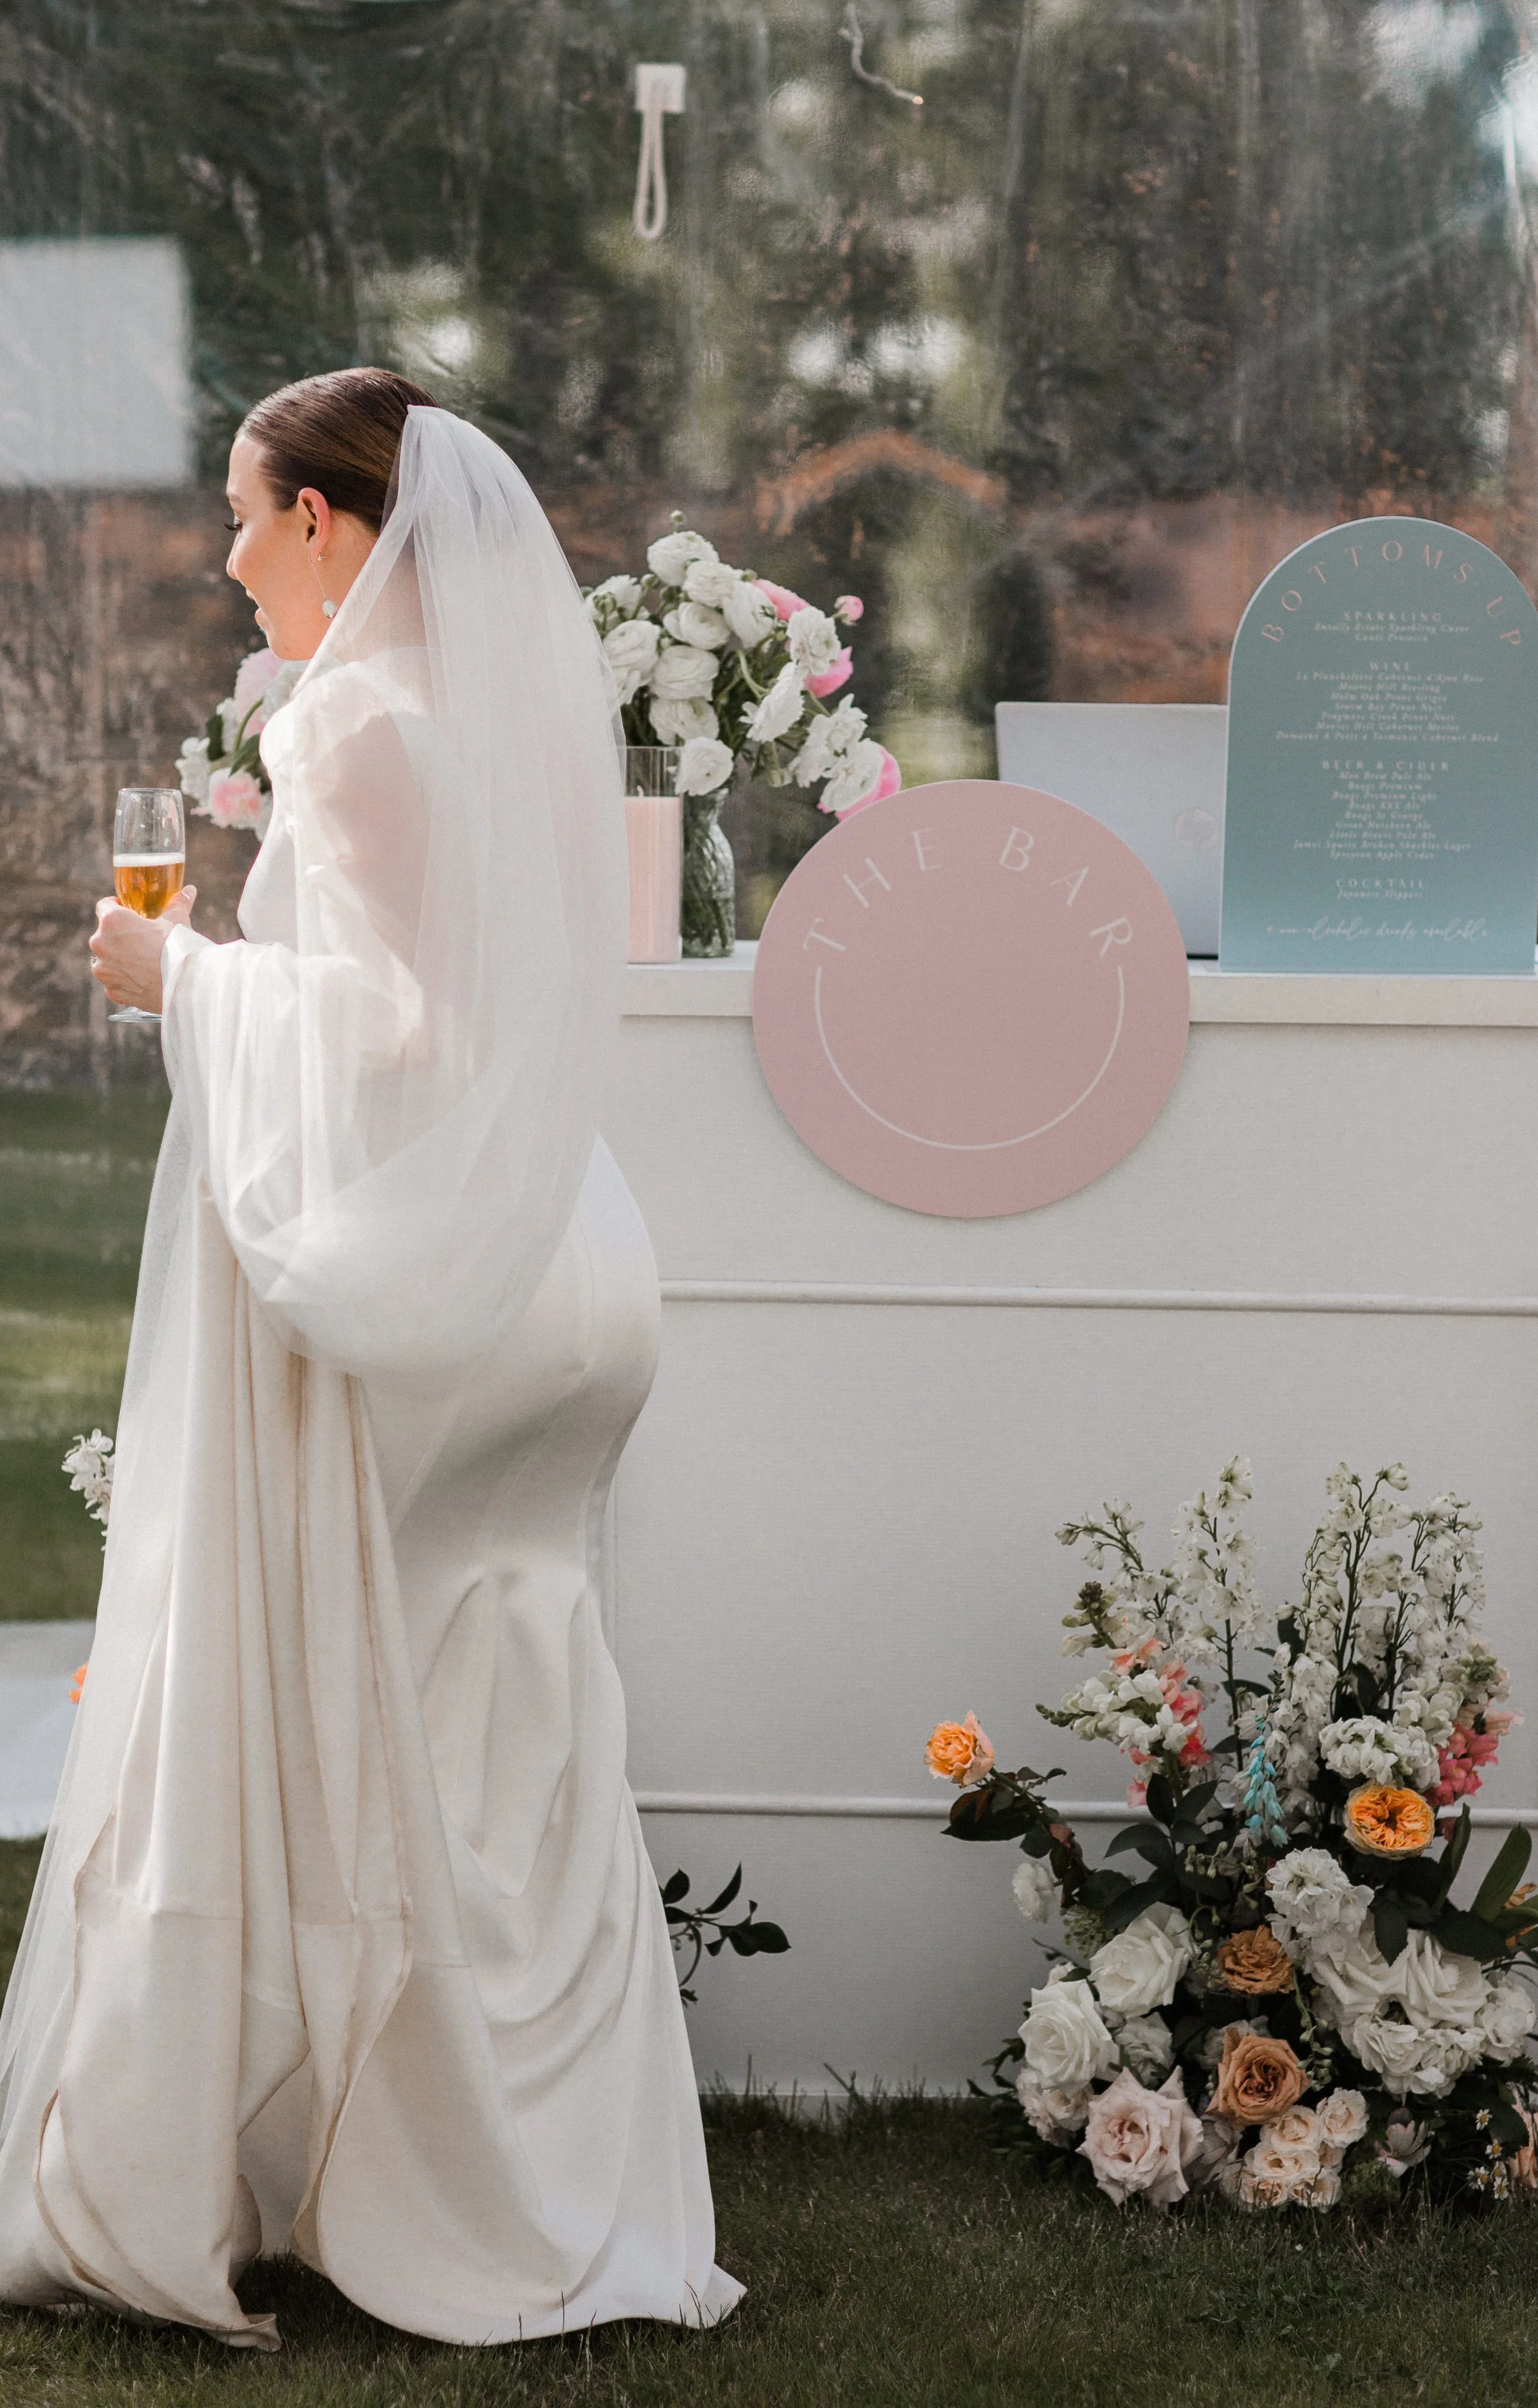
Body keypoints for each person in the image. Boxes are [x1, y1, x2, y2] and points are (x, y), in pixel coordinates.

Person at [0, 371, 740, 2349]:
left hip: (420, 1281)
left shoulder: (348, 722)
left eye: (248, 517)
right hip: (556, 1265)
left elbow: (413, 1035)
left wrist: (190, 978)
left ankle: (368, 2168)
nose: (232, 556)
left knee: (349, 1714)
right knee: (494, 1723)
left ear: (331, 523)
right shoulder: (485, 729)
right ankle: (526, 2164)